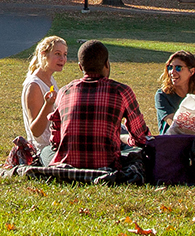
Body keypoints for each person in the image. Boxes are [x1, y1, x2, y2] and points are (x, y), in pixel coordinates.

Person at [47, 40, 149, 169]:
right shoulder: (121, 91)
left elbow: (56, 140)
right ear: (106, 64)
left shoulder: (64, 92)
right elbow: (141, 138)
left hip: (68, 164)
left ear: (80, 67)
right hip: (108, 165)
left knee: (46, 152)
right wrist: (126, 141)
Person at [19, 36, 68, 165]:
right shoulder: (34, 85)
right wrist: (48, 105)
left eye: (65, 54)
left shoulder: (50, 80)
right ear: (43, 55)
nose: (62, 59)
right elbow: (36, 131)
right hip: (44, 150)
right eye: (57, 54)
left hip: (57, 143)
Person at [153, 50, 195, 133]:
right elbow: (173, 124)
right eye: (170, 67)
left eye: (178, 68)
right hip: (174, 141)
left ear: (192, 71)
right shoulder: (163, 95)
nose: (172, 72)